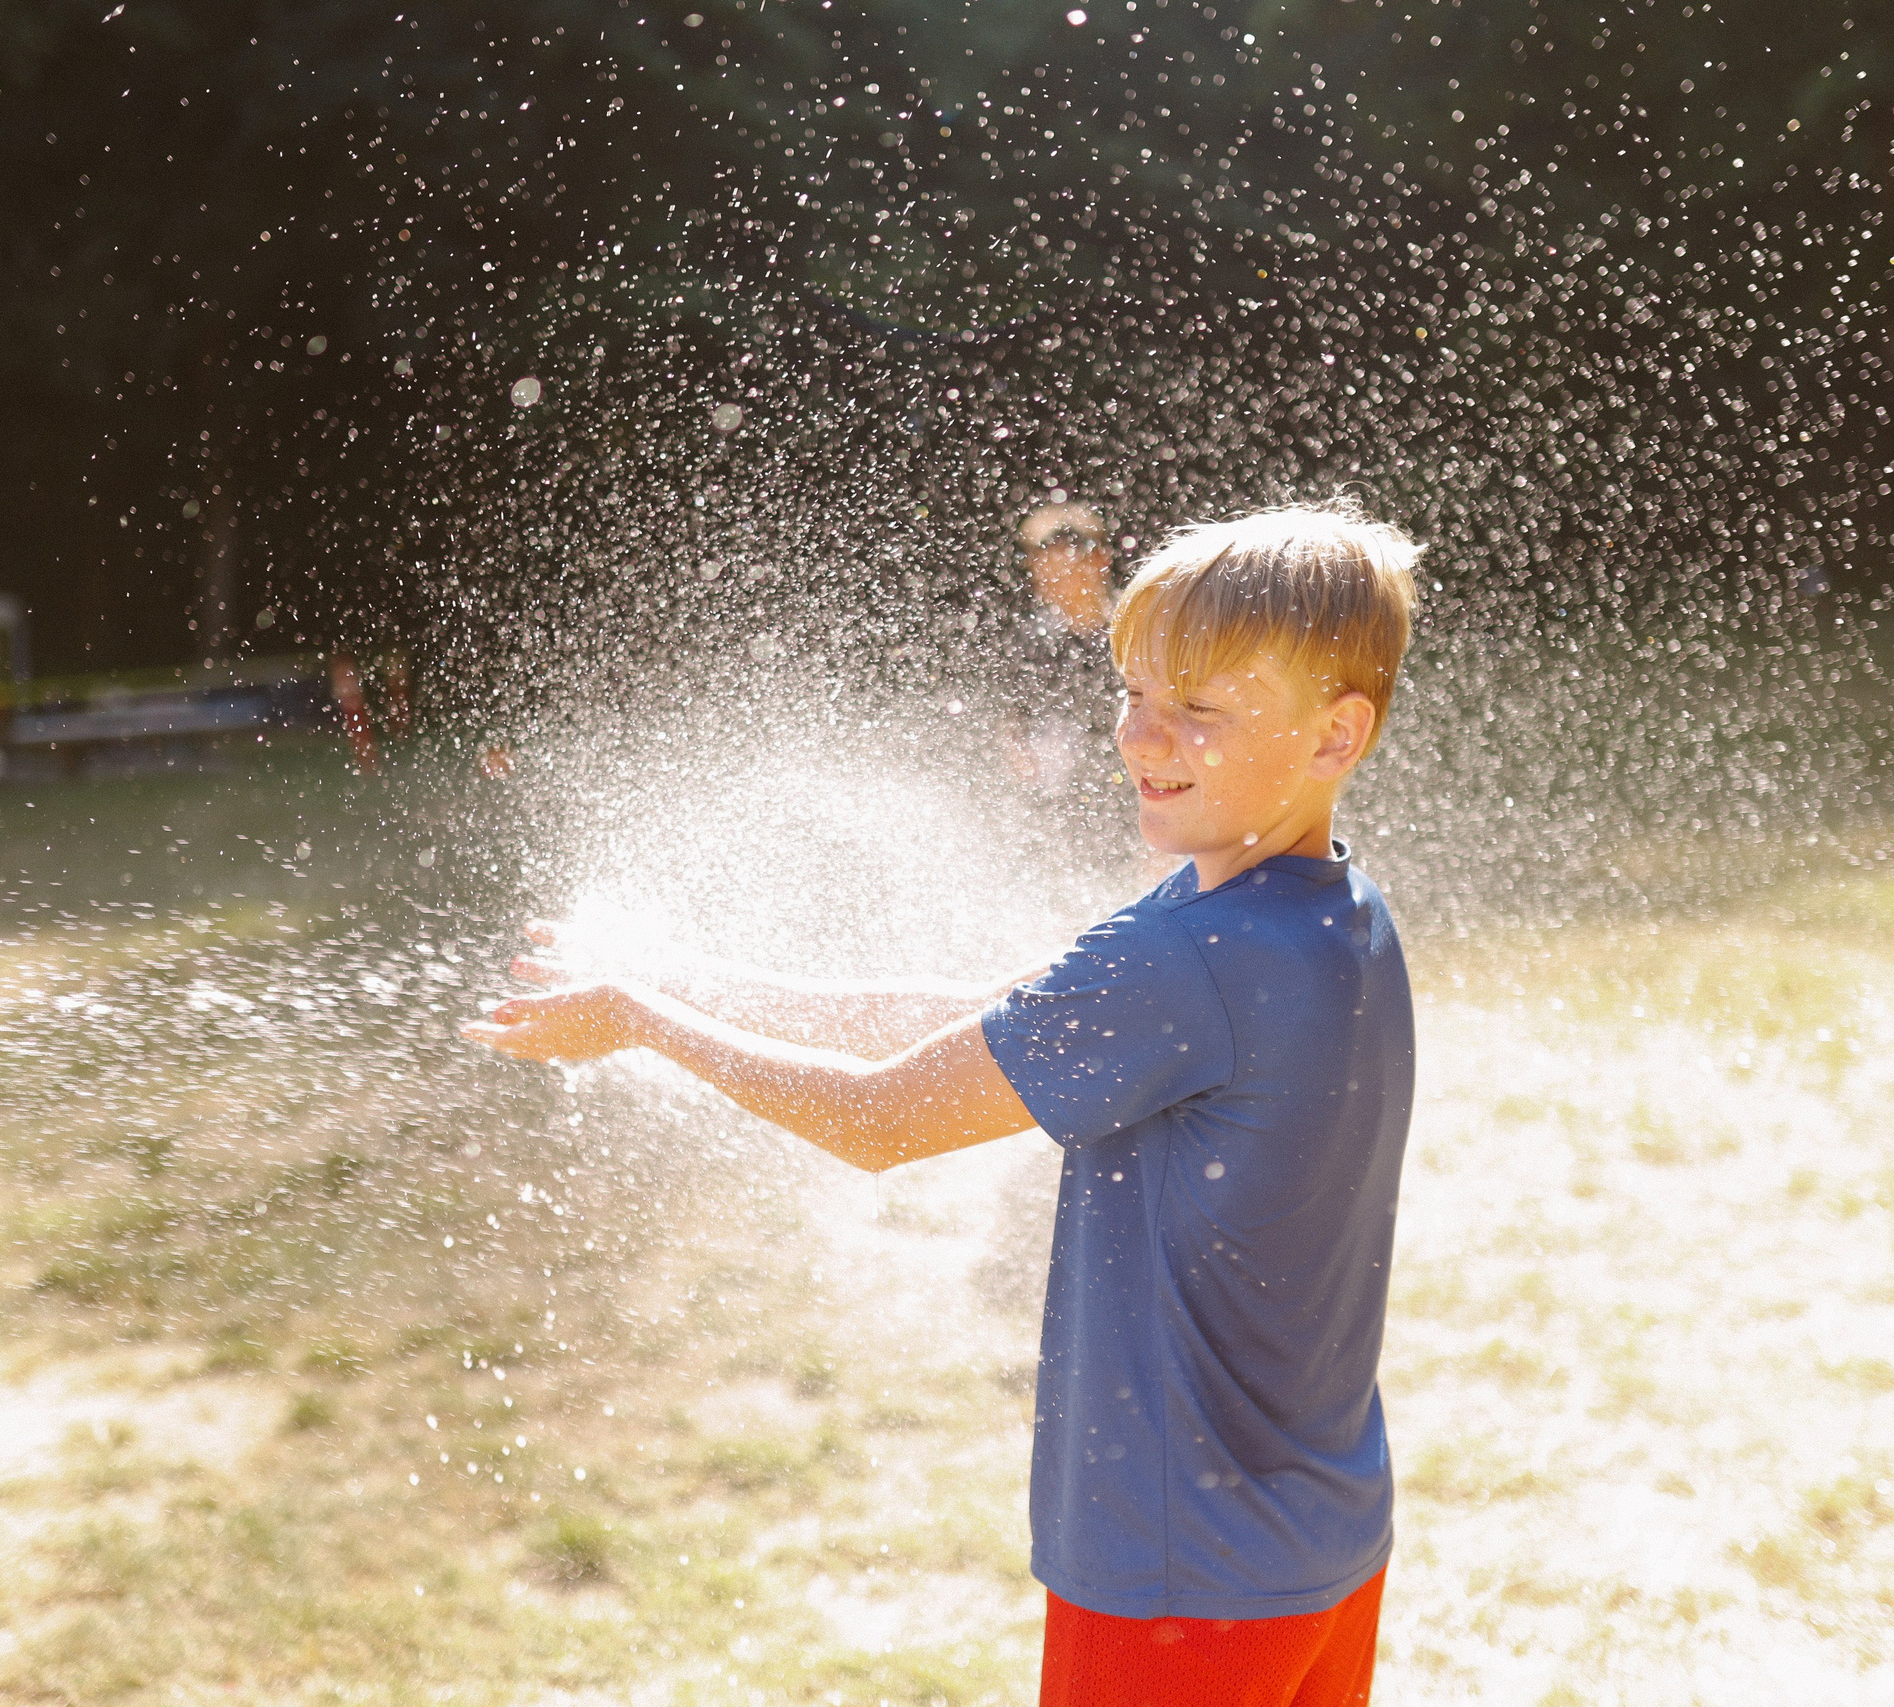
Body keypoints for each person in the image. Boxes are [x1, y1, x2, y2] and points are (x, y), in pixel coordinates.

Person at [467, 502, 1422, 1707]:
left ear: (1336, 735)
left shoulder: (1182, 957)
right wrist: (674, 980)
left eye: (1202, 709)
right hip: (1317, 1540)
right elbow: (966, 1014)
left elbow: (879, 1116)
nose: (1145, 736)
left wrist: (643, 1027)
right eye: (1134, 692)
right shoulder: (1330, 911)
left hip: (1182, 1576)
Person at [1001, 501, 1117, 802]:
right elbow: (1013, 720)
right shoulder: (1032, 640)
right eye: (1034, 561)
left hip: (1121, 796)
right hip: (1056, 799)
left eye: (1052, 562)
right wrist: (1021, 762)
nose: (1039, 573)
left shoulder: (1131, 633)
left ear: (1098, 559)